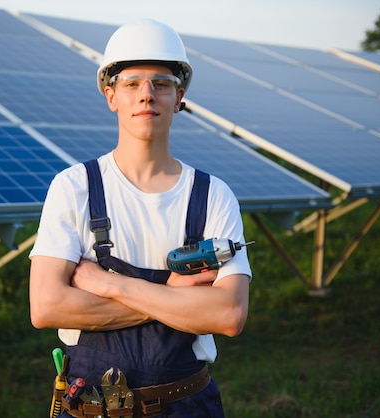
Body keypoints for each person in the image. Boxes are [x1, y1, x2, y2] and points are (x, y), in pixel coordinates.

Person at [29, 19, 251, 418]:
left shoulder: (214, 195)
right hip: (90, 406)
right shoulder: (74, 187)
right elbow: (46, 306)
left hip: (187, 405)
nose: (146, 95)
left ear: (179, 96)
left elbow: (229, 316)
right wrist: (176, 294)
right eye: (131, 83)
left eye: (161, 84)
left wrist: (103, 284)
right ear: (110, 95)